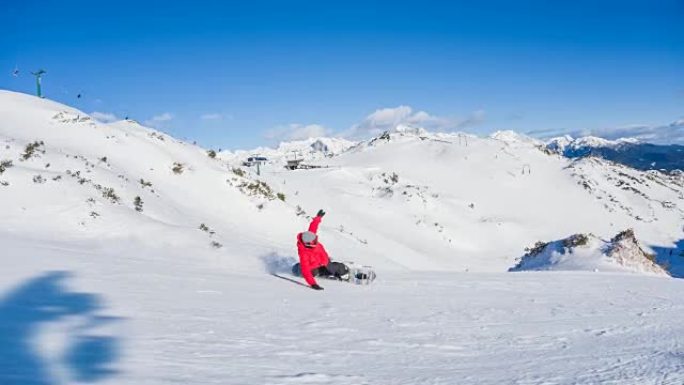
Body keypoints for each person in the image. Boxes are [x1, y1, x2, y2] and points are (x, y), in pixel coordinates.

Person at [294, 209, 348, 290]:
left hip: (323, 260)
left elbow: (313, 226)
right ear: (308, 244)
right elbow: (306, 270)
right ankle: (300, 269)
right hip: (314, 266)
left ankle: (344, 270)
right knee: (314, 272)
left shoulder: (310, 236)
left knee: (334, 267)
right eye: (314, 242)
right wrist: (313, 284)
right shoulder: (304, 254)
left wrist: (318, 218)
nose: (316, 242)